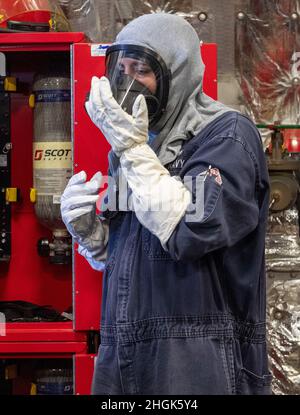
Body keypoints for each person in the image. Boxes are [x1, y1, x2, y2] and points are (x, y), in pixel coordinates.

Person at [61, 13, 271, 395]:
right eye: (120, 69)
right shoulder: (140, 143)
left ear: (178, 73)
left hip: (200, 359)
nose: (127, 82)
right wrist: (93, 234)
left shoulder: (228, 136)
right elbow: (134, 250)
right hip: (123, 349)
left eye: (141, 69)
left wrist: (132, 149)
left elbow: (192, 229)